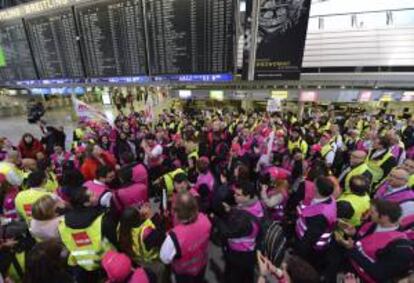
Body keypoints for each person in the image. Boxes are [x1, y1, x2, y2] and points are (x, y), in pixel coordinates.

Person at [337, 200, 414, 282]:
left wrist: (352, 250)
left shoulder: (401, 248)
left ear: (384, 217)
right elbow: (362, 241)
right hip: (349, 263)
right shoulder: (374, 223)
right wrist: (353, 233)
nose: (369, 214)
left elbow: (380, 274)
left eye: (373, 212)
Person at [58, 186, 118, 282]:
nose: (96, 194)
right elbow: (115, 240)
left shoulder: (62, 223)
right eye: (92, 195)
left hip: (81, 264)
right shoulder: (102, 220)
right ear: (86, 203)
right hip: (106, 262)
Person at [160, 192, 211, 283]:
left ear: (176, 213)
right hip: (201, 264)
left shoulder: (173, 237)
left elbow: (165, 258)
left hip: (184, 273)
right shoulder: (205, 219)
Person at [294, 177, 337, 264]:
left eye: (314, 184)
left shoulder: (320, 217)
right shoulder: (330, 199)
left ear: (316, 189)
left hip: (311, 248)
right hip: (305, 237)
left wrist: (297, 257)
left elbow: (309, 240)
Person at [118, 205, 165, 282]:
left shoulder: (121, 228)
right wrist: (153, 216)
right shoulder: (146, 232)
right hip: (152, 262)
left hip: (138, 261)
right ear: (139, 217)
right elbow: (162, 237)